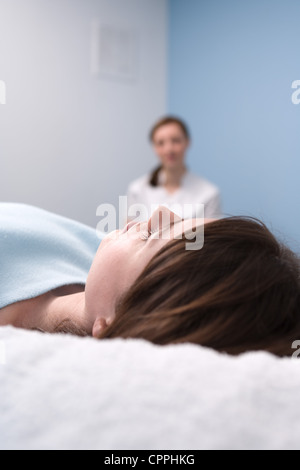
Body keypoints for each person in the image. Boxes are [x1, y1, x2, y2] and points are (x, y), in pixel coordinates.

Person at [0, 202, 299, 358]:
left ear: (112, 326)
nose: (160, 212)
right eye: (180, 222)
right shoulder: (94, 255)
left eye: (152, 237)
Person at [126, 116, 222, 220]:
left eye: (175, 141)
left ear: (187, 142)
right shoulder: (137, 190)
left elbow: (212, 235)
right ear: (154, 148)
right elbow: (128, 234)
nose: (169, 149)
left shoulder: (209, 194)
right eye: (161, 143)